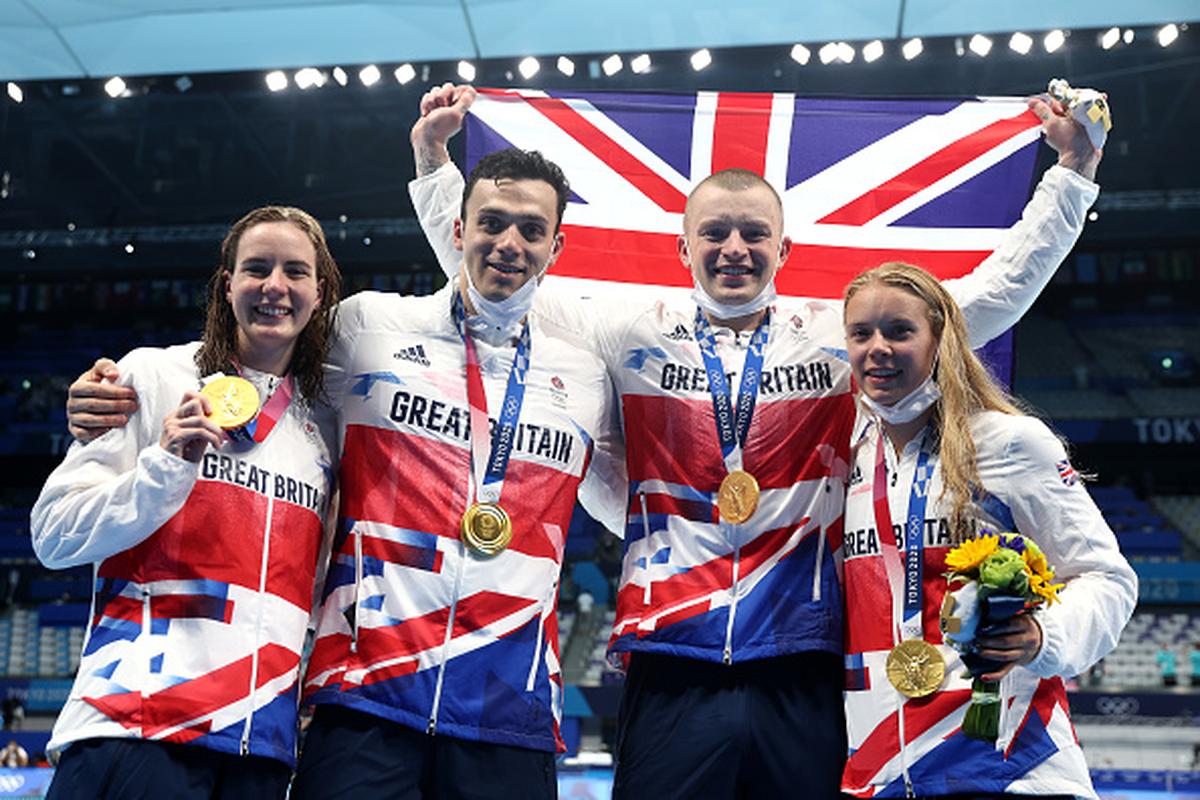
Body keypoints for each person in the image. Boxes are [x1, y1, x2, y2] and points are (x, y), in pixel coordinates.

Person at [400, 82, 1106, 798]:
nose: (733, 249)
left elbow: (986, 299)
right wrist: (435, 169)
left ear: (783, 247)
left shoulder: (840, 335)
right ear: (683, 246)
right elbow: (498, 280)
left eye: (753, 234)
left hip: (800, 661)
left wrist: (1071, 178)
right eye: (714, 233)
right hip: (670, 655)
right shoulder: (624, 329)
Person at [63, 150, 625, 798]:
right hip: (362, 702)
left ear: (557, 246)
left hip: (507, 708)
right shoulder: (370, 327)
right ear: (457, 231)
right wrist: (126, 388)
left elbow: (627, 503)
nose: (508, 243)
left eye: (530, 230)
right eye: (491, 223)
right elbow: (263, 348)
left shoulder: (585, 376)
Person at [31, 206, 341, 800]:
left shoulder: (325, 426)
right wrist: (166, 463)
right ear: (227, 286)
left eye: (294, 272)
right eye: (257, 268)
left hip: (259, 745)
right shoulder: (151, 375)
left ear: (318, 292)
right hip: (136, 726)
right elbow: (53, 533)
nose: (275, 286)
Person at [838, 261, 1136, 798]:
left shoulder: (1011, 442)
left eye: (900, 331)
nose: (877, 347)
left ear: (941, 341)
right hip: (881, 774)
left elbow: (1108, 579)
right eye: (862, 333)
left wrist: (1044, 635)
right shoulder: (846, 462)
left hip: (1012, 768)